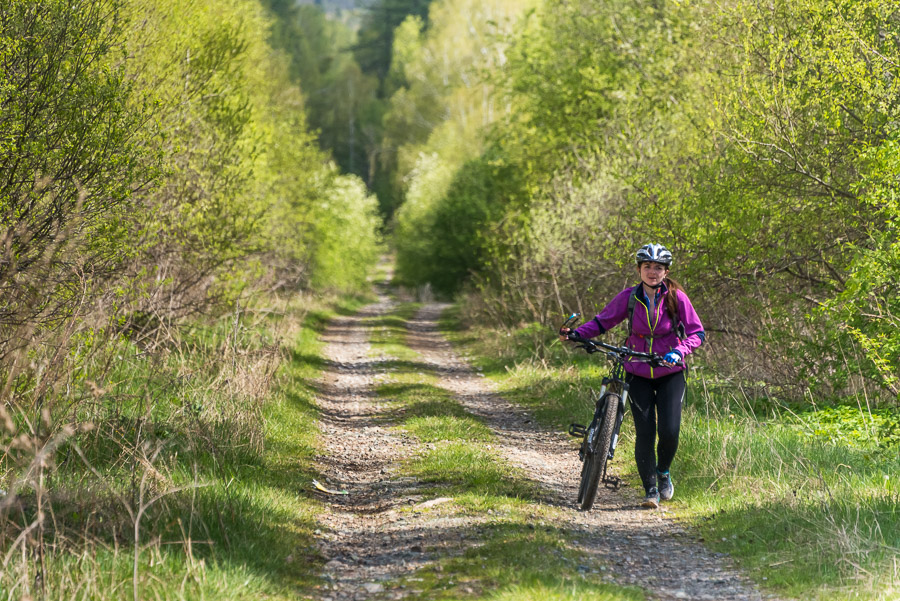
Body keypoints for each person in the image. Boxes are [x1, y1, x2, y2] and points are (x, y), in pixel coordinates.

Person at [559, 243, 705, 508]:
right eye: (647, 266)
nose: (652, 271)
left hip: (670, 371)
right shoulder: (628, 297)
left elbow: (697, 333)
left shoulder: (677, 298)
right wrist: (578, 333)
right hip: (636, 370)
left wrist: (680, 350)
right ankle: (650, 490)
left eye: (658, 267)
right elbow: (602, 322)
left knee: (670, 431)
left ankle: (663, 473)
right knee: (645, 432)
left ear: (666, 271)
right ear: (639, 269)